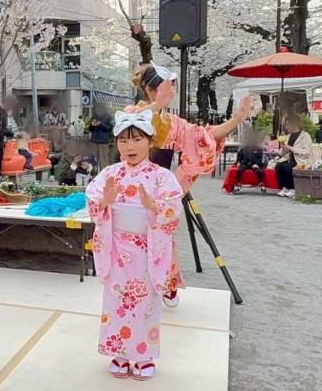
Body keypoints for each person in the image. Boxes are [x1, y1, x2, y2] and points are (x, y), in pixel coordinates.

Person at [129, 62, 251, 308]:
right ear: (152, 90)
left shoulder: (173, 122)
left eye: (172, 87)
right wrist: (156, 106)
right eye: (167, 86)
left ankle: (167, 284)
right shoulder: (134, 111)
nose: (171, 91)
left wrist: (236, 119)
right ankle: (133, 286)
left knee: (164, 237)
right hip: (133, 184)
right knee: (132, 239)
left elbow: (205, 134)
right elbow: (132, 125)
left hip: (160, 187)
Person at [87, 109, 184, 381]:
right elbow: (94, 202)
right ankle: (119, 352)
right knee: (116, 301)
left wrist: (154, 207)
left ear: (151, 142)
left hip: (146, 249)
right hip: (116, 248)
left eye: (137, 139)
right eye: (123, 140)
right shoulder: (109, 173)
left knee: (144, 302)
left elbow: (172, 206)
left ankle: (143, 355)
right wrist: (104, 203)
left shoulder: (162, 177)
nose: (130, 146)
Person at [275, 114, 315, 198]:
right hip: (291, 160)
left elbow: (306, 152)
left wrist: (290, 148)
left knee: (287, 167)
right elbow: (283, 153)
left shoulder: (305, 136)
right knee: (279, 166)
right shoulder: (288, 136)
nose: (287, 127)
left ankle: (292, 188)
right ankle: (284, 187)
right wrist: (283, 150)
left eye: (288, 124)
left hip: (302, 162)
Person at [88, 104, 114, 168]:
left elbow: (109, 128)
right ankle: (93, 175)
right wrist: (92, 125)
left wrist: (100, 124)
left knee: (103, 160)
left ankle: (105, 175)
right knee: (93, 160)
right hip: (93, 141)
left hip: (103, 142)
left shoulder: (108, 116)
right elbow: (90, 129)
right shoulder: (94, 116)